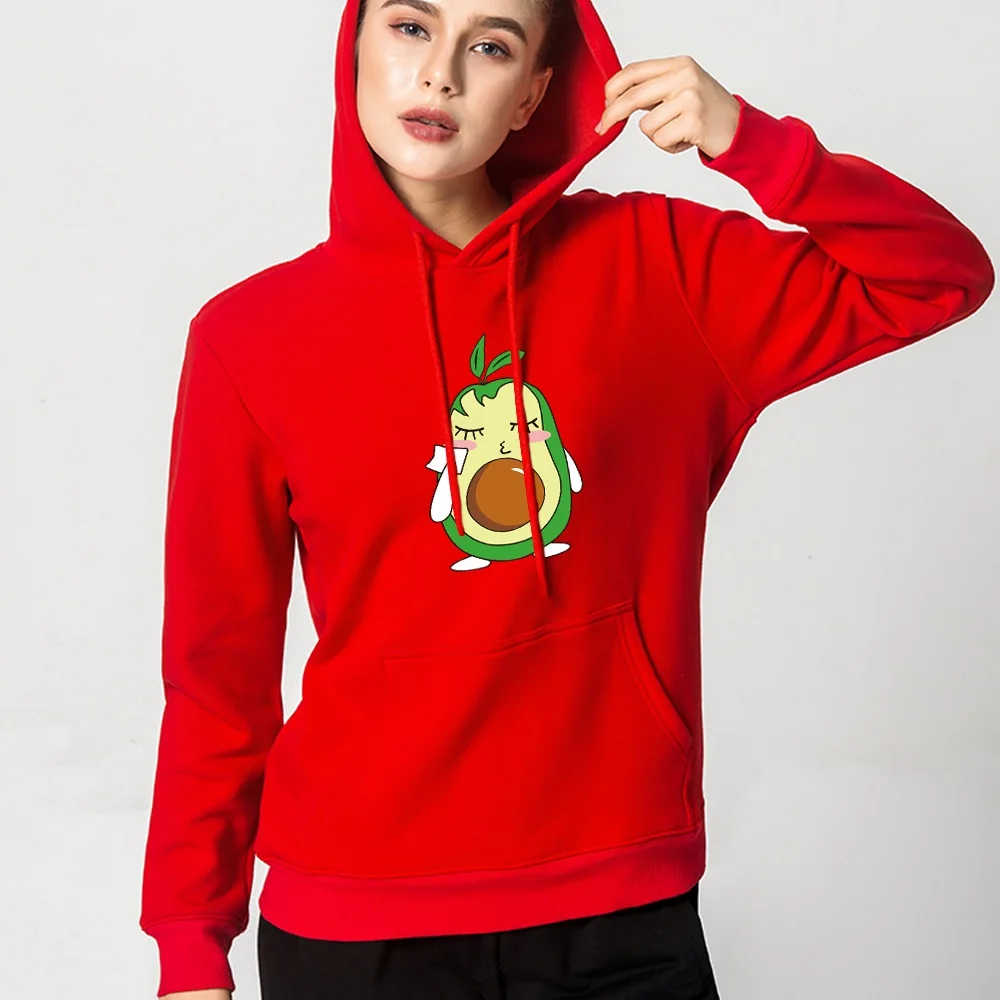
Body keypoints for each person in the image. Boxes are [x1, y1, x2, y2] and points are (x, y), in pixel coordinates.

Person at [138, 0, 994, 997]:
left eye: (490, 44)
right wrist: (190, 944)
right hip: (353, 926)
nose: (442, 72)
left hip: (618, 911)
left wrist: (752, 144)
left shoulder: (660, 267)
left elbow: (937, 277)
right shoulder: (249, 339)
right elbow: (217, 674)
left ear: (533, 95)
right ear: (355, 45)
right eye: (411, 26)